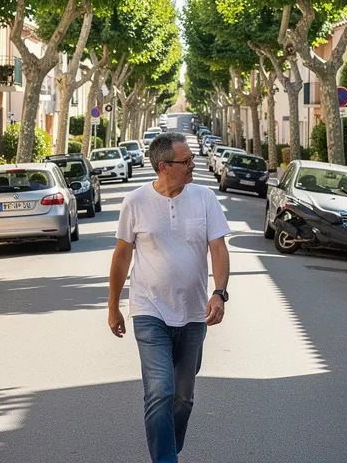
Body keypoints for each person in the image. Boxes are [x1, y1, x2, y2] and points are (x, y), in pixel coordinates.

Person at [108, 131, 231, 463]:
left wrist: (219, 293)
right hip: (149, 310)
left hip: (193, 314)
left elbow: (218, 248)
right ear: (164, 166)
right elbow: (121, 257)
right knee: (160, 392)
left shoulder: (204, 198)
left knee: (183, 398)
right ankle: (166, 459)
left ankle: (168, 444)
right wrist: (114, 307)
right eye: (187, 161)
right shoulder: (135, 202)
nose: (193, 165)